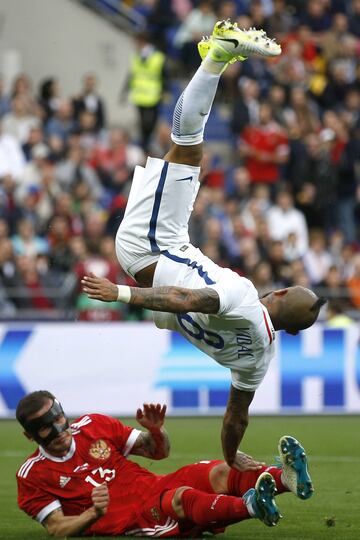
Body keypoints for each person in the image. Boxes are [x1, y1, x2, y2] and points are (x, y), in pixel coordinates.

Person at [82, 20, 326, 470]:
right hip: (169, 250)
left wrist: (119, 294)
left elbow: (182, 297)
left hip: (151, 248)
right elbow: (237, 417)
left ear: (283, 295)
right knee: (189, 154)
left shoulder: (243, 299)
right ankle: (215, 60)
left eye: (290, 288)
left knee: (187, 146)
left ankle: (217, 58)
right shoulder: (259, 361)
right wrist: (233, 458)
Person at [16, 390, 314, 537]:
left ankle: (286, 479)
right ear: (30, 436)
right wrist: (94, 513)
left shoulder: (94, 425)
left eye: (58, 419)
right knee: (184, 498)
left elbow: (159, 453)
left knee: (221, 470)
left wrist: (156, 431)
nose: (59, 430)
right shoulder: (32, 475)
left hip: (154, 485)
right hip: (135, 516)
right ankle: (252, 507)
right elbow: (57, 528)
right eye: (46, 428)